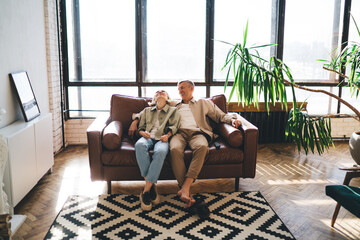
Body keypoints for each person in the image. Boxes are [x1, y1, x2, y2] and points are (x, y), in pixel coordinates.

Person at [129, 81, 242, 217]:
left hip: (198, 132)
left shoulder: (203, 103)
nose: (180, 90)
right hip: (179, 134)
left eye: (182, 87)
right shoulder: (172, 104)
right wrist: (135, 121)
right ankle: (186, 193)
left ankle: (185, 187)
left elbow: (220, 115)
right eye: (178, 89)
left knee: (202, 147)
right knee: (174, 149)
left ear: (191, 88)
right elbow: (150, 109)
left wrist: (232, 120)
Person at [135, 90, 180, 211]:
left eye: (163, 92)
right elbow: (140, 127)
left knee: (160, 152)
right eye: (157, 92)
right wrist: (142, 133)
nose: (160, 93)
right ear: (154, 98)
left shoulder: (173, 110)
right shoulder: (146, 110)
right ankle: (152, 186)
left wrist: (168, 135)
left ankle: (145, 191)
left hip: (162, 139)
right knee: (139, 145)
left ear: (168, 98)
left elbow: (175, 126)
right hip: (147, 138)